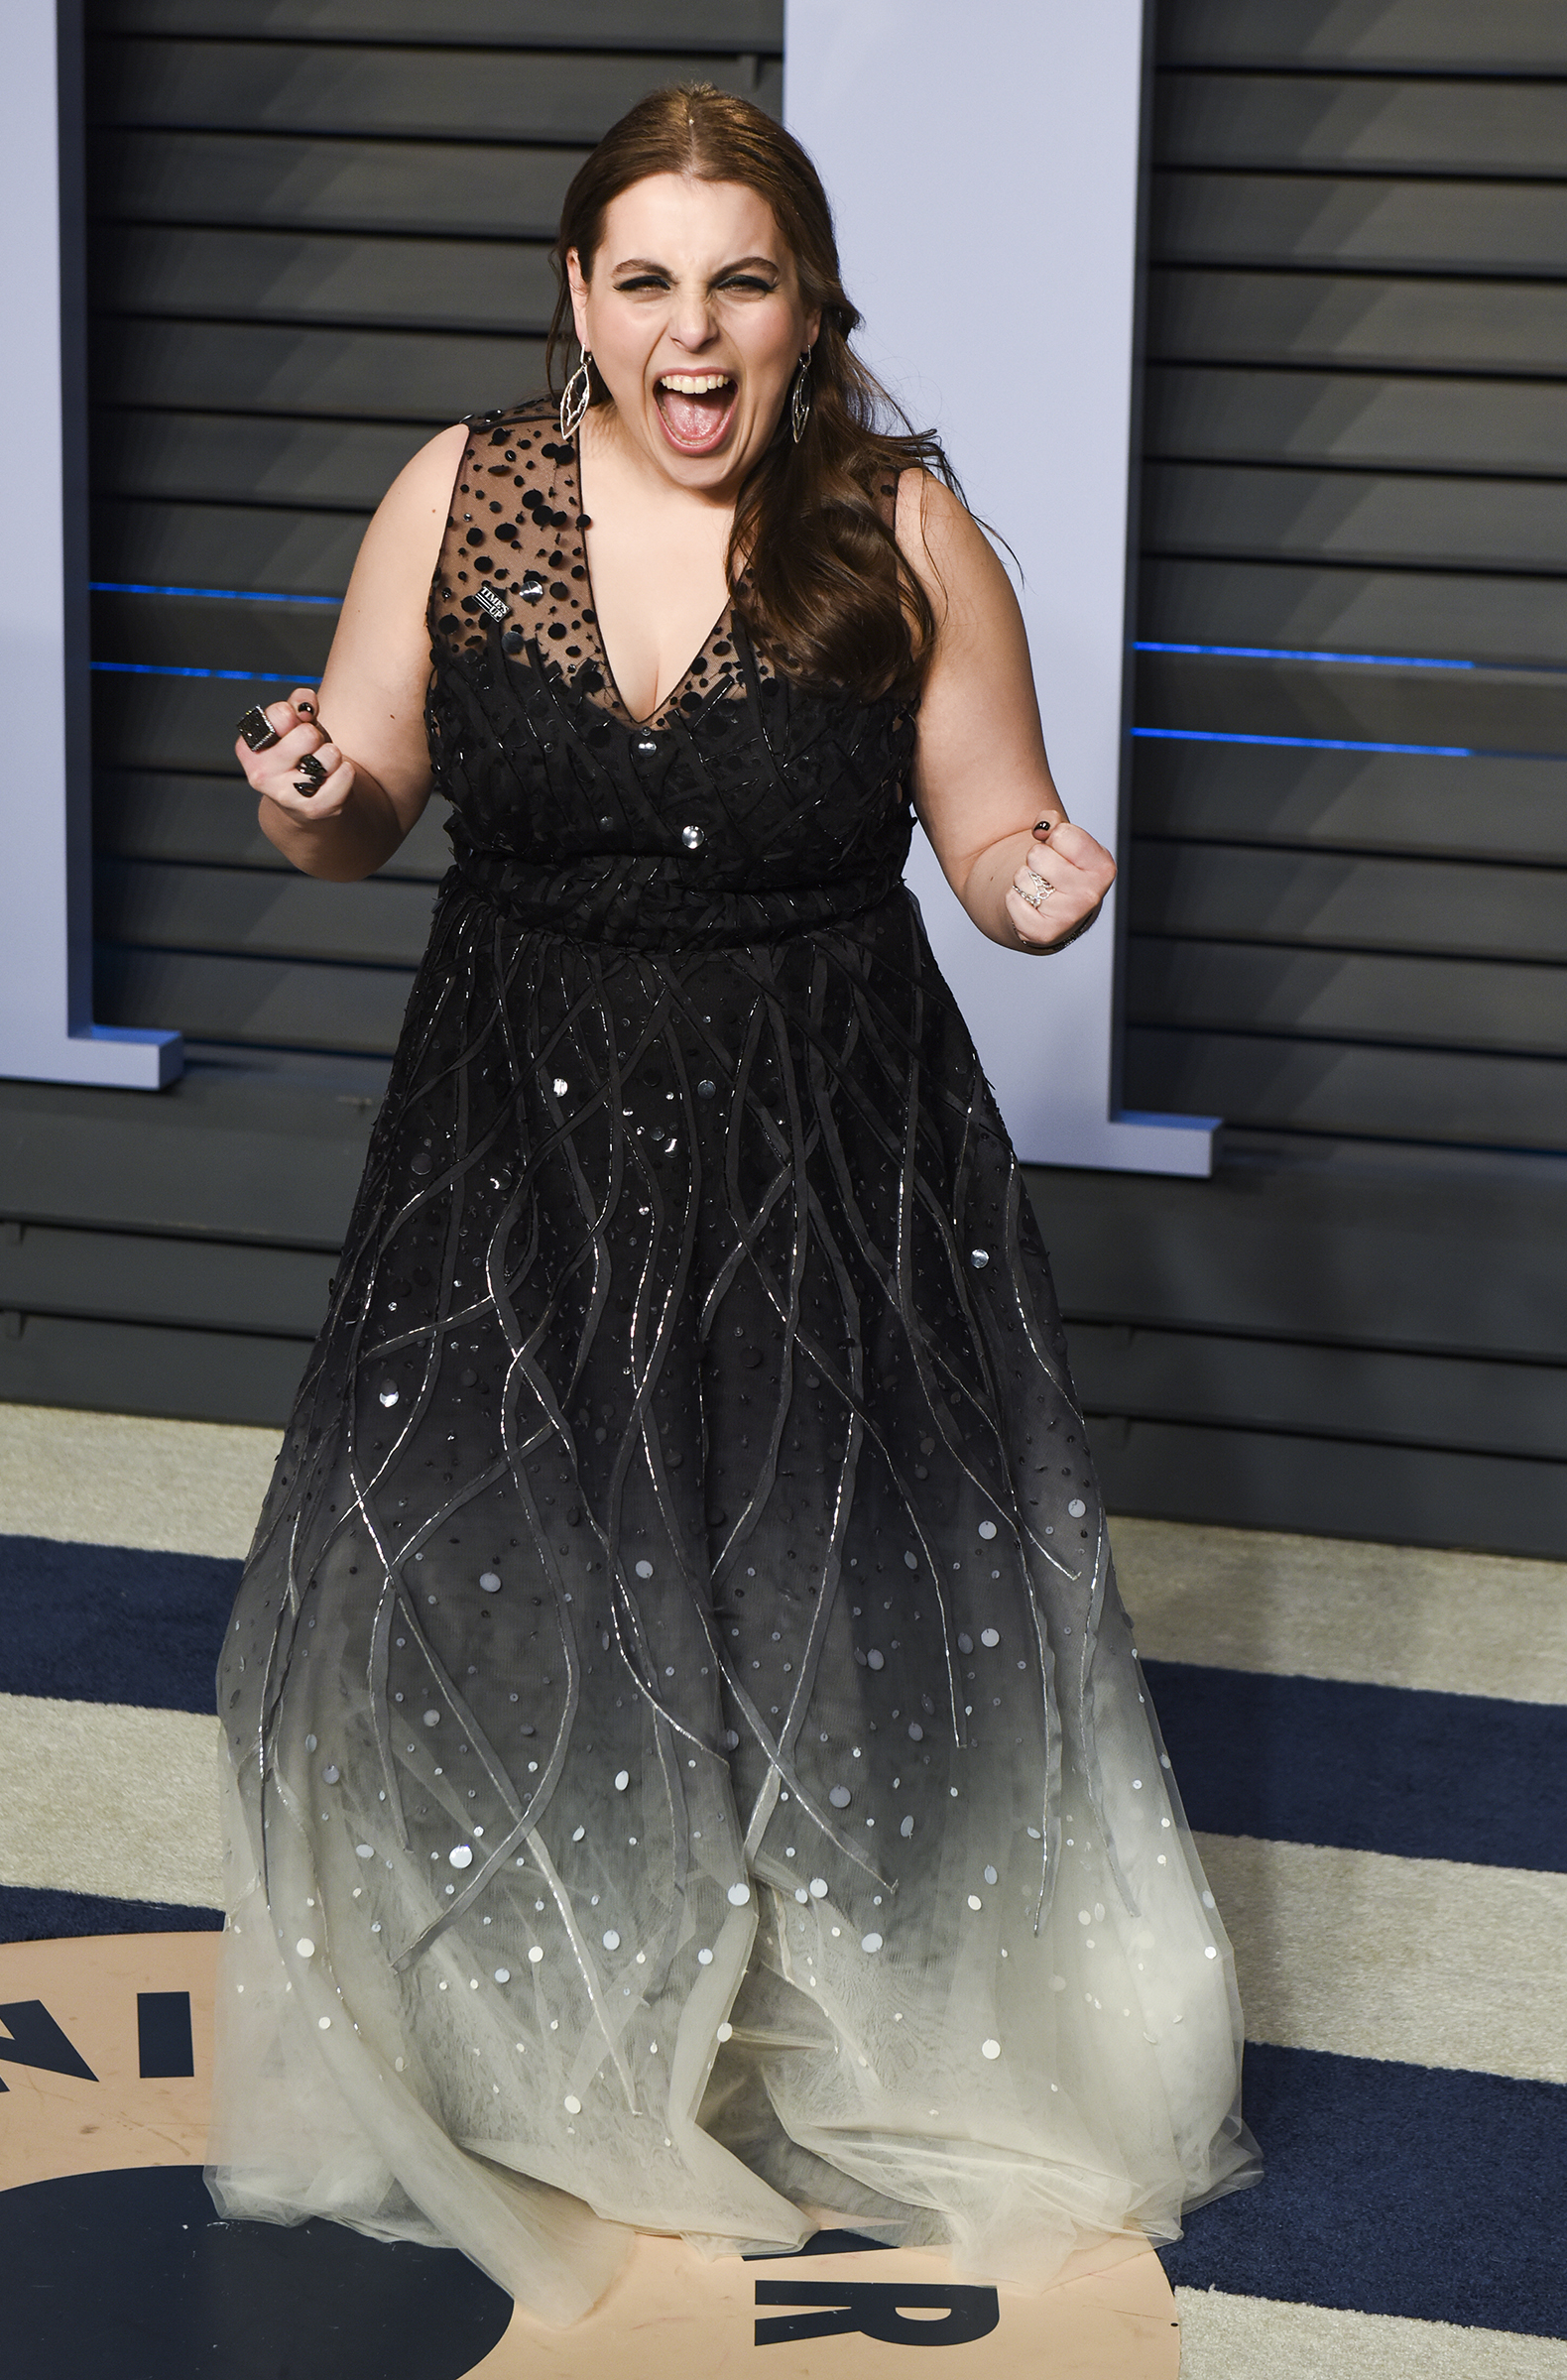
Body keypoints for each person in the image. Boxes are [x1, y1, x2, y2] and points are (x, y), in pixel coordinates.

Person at [207, 83, 1260, 2327]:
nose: (693, 331)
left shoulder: (900, 525)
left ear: (805, 311)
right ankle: (547, 2035)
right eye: (650, 282)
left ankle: (818, 2025)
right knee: (521, 1566)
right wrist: (306, 791)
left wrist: (1041, 886)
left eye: (742, 284)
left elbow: (995, 834)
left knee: (816, 1577)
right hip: (518, 1126)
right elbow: (360, 807)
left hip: (825, 1138)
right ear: (580, 299)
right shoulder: (458, 492)